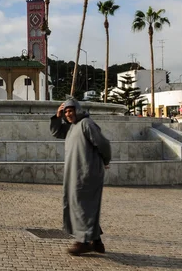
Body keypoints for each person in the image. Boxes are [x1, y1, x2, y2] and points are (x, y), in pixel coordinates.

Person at [50, 98, 112, 256]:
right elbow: (56, 132)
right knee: (83, 205)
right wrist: (57, 116)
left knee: (82, 205)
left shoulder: (86, 124)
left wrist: (105, 160)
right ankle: (96, 241)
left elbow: (103, 143)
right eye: (66, 112)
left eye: (71, 110)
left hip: (87, 172)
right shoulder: (72, 127)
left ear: (78, 110)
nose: (69, 114)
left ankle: (83, 242)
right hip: (76, 172)